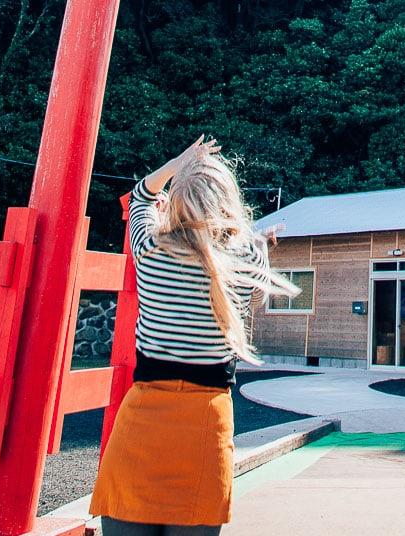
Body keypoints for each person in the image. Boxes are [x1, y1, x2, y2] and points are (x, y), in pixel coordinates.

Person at [90, 137, 297, 535]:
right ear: (228, 204)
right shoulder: (246, 261)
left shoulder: (149, 249)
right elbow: (248, 264)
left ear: (177, 201)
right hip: (207, 425)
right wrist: (260, 241)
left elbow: (139, 197)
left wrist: (178, 161)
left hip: (143, 422)